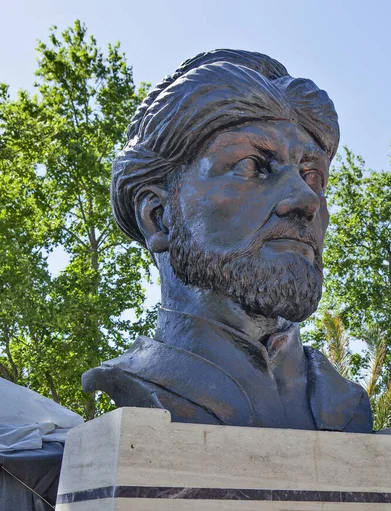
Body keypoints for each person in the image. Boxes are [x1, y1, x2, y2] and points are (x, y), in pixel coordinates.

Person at [82, 50, 372, 432]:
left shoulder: (346, 405)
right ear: (158, 215)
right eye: (250, 166)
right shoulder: (140, 391)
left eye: (312, 175)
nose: (305, 199)